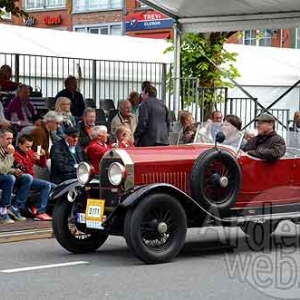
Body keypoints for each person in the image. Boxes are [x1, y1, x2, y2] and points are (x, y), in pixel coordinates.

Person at [13, 135, 54, 221]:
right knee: (46, 185)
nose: (29, 149)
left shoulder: (30, 152)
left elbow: (42, 165)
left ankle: (38, 207)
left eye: (30, 146)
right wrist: (32, 159)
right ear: (20, 144)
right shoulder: (15, 153)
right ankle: (40, 211)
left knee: (56, 187)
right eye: (27, 147)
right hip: (22, 179)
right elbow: (21, 169)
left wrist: (42, 156)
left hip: (31, 178)